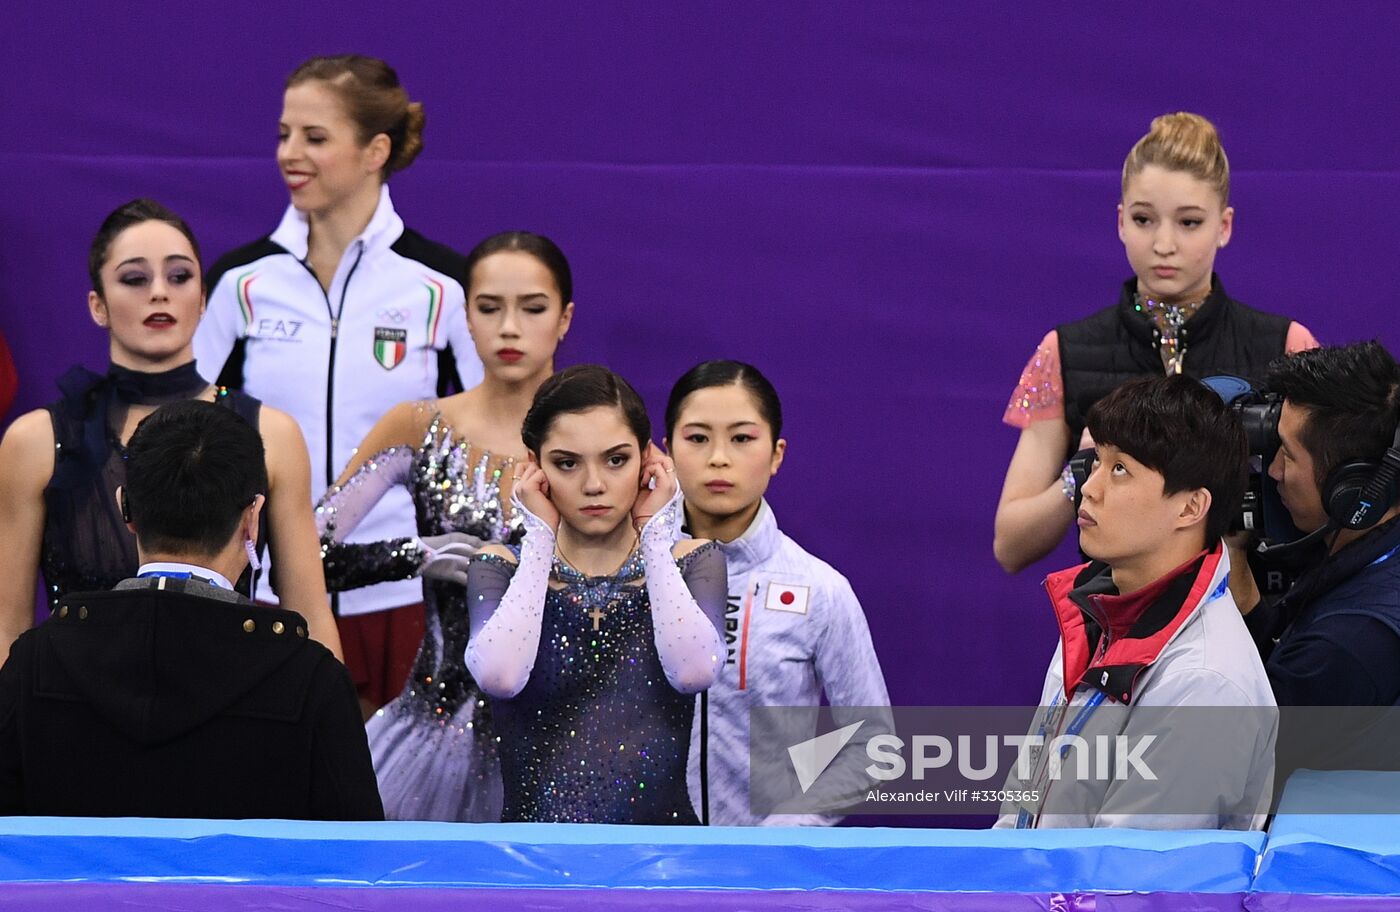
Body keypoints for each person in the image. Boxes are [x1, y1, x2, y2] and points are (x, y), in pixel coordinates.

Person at [193, 54, 482, 714]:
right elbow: (193, 431)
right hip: (265, 600)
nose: (289, 154)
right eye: (283, 134)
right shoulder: (242, 281)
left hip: (408, 606)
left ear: (375, 149)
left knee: (398, 814)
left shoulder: (441, 285)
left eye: (314, 137)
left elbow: (490, 432)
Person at [0, 400, 382, 819]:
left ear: (125, 506)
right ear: (252, 518)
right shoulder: (311, 678)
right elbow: (351, 861)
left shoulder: (34, 662)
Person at [0, 199, 339, 663]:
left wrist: (333, 732)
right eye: (135, 278)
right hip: (79, 721)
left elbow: (311, 616)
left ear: (202, 300)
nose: (159, 292)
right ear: (97, 305)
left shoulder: (272, 435)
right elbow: (7, 628)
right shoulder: (35, 441)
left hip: (231, 716)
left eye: (179, 276)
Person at [315, 231, 574, 820]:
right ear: (466, 316)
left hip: (571, 735)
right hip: (435, 732)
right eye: (490, 308)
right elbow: (307, 550)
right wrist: (414, 554)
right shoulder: (417, 426)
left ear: (565, 318)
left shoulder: (599, 434)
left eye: (532, 308)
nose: (510, 327)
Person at [994, 112, 1318, 574]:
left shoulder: (1285, 344)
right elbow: (1011, 544)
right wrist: (1083, 470)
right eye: (1145, 219)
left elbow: (1331, 516)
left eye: (1188, 222)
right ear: (1121, 221)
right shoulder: (1066, 350)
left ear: (1223, 226)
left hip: (1256, 620)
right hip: (1113, 626)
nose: (1164, 243)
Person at [996, 375, 1276, 830]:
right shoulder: (1095, 614)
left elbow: (1124, 883)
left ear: (1190, 508)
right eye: (1097, 461)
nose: (1089, 488)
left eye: (1120, 469)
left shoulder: (1203, 683)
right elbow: (1019, 814)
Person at [464, 365, 726, 823]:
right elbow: (500, 678)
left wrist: (654, 534)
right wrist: (539, 537)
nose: (594, 485)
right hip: (534, 862)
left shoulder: (691, 560)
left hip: (662, 859)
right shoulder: (501, 567)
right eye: (567, 463)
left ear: (648, 459)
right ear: (534, 465)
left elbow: (694, 671)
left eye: (616, 459)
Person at [664, 360, 890, 825]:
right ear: (667, 451)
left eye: (742, 438)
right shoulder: (633, 575)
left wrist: (788, 830)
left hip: (763, 881)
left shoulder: (821, 591)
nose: (718, 458)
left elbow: (873, 745)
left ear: (777, 454)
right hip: (640, 871)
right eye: (697, 437)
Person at [1229, 342, 1400, 706]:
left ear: (1352, 489)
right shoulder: (1366, 557)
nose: (1272, 470)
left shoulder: (1346, 643)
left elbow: (1253, 751)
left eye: (1287, 455)